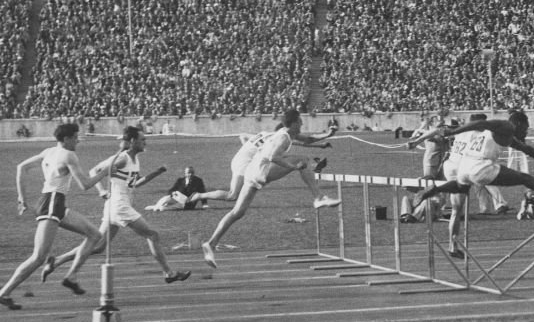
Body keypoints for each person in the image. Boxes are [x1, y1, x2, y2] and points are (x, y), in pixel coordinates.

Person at [48, 127, 192, 285]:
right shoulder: (122, 159)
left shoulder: (134, 159)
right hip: (119, 205)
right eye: (142, 139)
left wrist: (157, 172)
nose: (145, 142)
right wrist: (102, 190)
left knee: (99, 246)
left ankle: (57, 260)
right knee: (153, 235)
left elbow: (136, 183)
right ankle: (169, 273)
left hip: (116, 205)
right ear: (132, 141)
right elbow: (94, 170)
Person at [201, 110, 341, 270]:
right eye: (300, 121)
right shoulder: (283, 137)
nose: (302, 124)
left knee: (237, 212)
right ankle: (319, 197)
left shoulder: (285, 133)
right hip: (261, 171)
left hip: (251, 173)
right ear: (294, 123)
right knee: (303, 160)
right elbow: (274, 157)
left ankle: (211, 244)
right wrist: (293, 167)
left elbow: (309, 139)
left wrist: (328, 134)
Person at [0, 123, 108, 309]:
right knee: (39, 257)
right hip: (51, 205)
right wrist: (106, 171)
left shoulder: (48, 151)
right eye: (75, 137)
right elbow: (84, 185)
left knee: (95, 235)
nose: (78, 140)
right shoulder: (68, 155)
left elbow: (21, 168)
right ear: (66, 139)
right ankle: (4, 293)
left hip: (54, 204)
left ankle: (71, 276)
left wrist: (21, 198)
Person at [189, 119, 336, 205]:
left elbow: (243, 136)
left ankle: (200, 196)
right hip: (243, 165)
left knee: (237, 198)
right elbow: (302, 142)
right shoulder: (279, 138)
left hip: (239, 160)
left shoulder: (267, 134)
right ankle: (200, 196)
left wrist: (320, 145)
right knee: (232, 195)